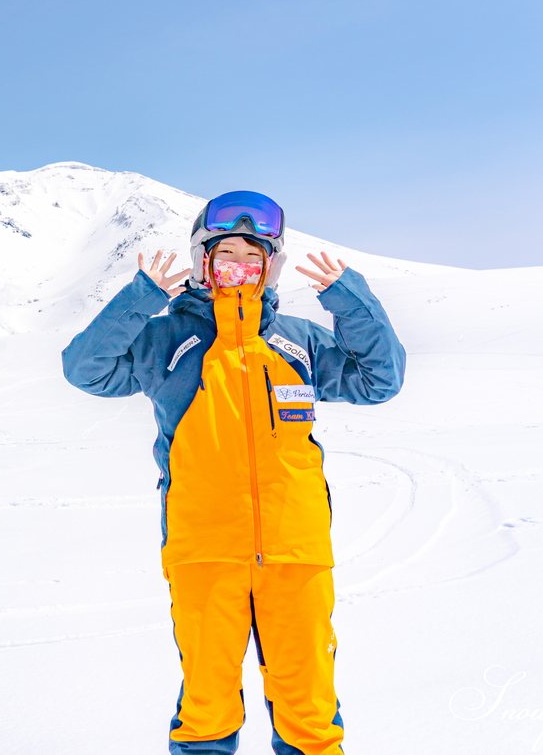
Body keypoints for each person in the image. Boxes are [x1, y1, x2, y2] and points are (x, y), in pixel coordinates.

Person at [61, 191, 405, 755]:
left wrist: (351, 303)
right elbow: (85, 370)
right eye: (225, 256)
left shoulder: (298, 340)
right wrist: (139, 301)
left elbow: (380, 379)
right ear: (202, 263)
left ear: (272, 267)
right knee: (207, 707)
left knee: (310, 709)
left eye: (254, 256)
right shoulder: (166, 340)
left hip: (297, 553)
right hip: (204, 552)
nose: (238, 268)